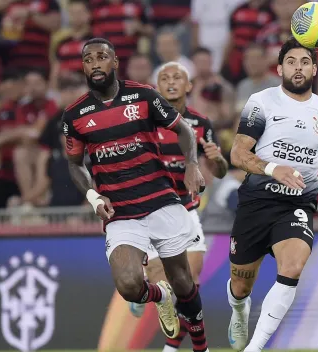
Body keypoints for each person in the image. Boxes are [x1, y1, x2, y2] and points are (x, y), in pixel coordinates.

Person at [61, 38, 210, 352]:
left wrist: (192, 165)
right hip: (121, 212)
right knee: (129, 285)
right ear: (84, 66)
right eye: (89, 59)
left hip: (161, 201)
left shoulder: (143, 95)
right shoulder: (75, 116)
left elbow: (183, 130)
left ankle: (201, 346)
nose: (95, 64)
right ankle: (160, 296)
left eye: (102, 57)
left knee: (184, 282)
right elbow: (74, 165)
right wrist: (92, 196)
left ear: (114, 62)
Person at [227, 37, 318, 352]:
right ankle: (239, 309)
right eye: (291, 62)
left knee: (293, 266)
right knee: (242, 284)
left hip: (297, 204)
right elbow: (238, 154)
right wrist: (274, 169)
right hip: (257, 201)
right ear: (279, 68)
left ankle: (254, 348)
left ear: (314, 69)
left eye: (303, 62)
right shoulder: (262, 102)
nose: (297, 68)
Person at [129, 61, 228, 352]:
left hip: (186, 212)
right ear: (156, 87)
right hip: (151, 212)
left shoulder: (200, 124)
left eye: (177, 77)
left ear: (189, 86)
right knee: (168, 288)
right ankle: (145, 290)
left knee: (190, 286)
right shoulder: (142, 123)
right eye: (164, 78)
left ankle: (173, 349)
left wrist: (217, 158)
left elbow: (220, 171)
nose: (171, 82)